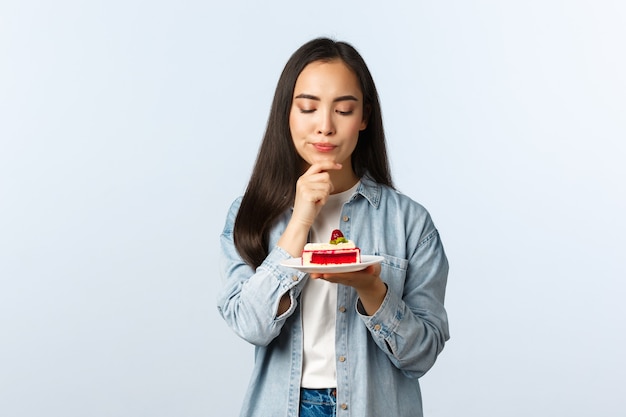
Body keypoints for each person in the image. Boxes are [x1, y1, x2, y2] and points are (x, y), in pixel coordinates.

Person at [217, 37, 449, 417]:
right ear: (287, 114)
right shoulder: (249, 214)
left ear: (364, 118)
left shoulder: (410, 223)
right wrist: (301, 218)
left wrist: (372, 288)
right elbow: (250, 325)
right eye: (308, 107)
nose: (324, 126)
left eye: (342, 110)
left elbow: (421, 356)